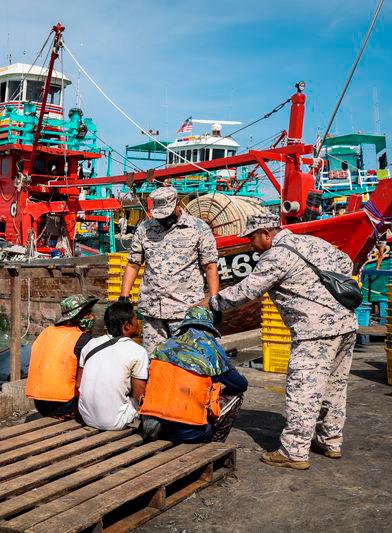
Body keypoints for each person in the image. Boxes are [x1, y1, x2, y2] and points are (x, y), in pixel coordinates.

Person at [206, 212, 358, 470]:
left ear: (267, 233)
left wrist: (212, 302)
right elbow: (346, 264)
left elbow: (247, 290)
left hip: (315, 332)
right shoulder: (313, 242)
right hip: (346, 325)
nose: (251, 244)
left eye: (253, 238)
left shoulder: (276, 255)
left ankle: (294, 452)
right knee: (334, 387)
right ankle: (330, 440)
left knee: (303, 390)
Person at [120, 186, 219, 354]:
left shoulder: (198, 228)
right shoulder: (145, 229)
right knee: (154, 361)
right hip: (152, 312)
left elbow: (210, 266)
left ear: (177, 204)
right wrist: (123, 296)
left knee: (186, 361)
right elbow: (133, 264)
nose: (163, 218)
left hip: (185, 311)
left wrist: (214, 299)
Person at [140, 306, 247, 443]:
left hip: (154, 429)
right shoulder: (212, 350)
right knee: (237, 395)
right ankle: (214, 446)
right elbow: (241, 384)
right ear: (209, 327)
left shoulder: (162, 346)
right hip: (190, 433)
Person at [77, 300, 149, 430]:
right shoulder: (138, 351)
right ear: (127, 325)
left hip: (86, 417)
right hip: (115, 422)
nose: (138, 323)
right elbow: (139, 396)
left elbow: (78, 385)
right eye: (135, 319)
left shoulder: (90, 344)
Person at [26, 294, 97, 420]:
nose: (92, 317)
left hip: (39, 404)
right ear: (78, 318)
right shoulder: (83, 339)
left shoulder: (46, 332)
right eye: (88, 314)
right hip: (66, 406)